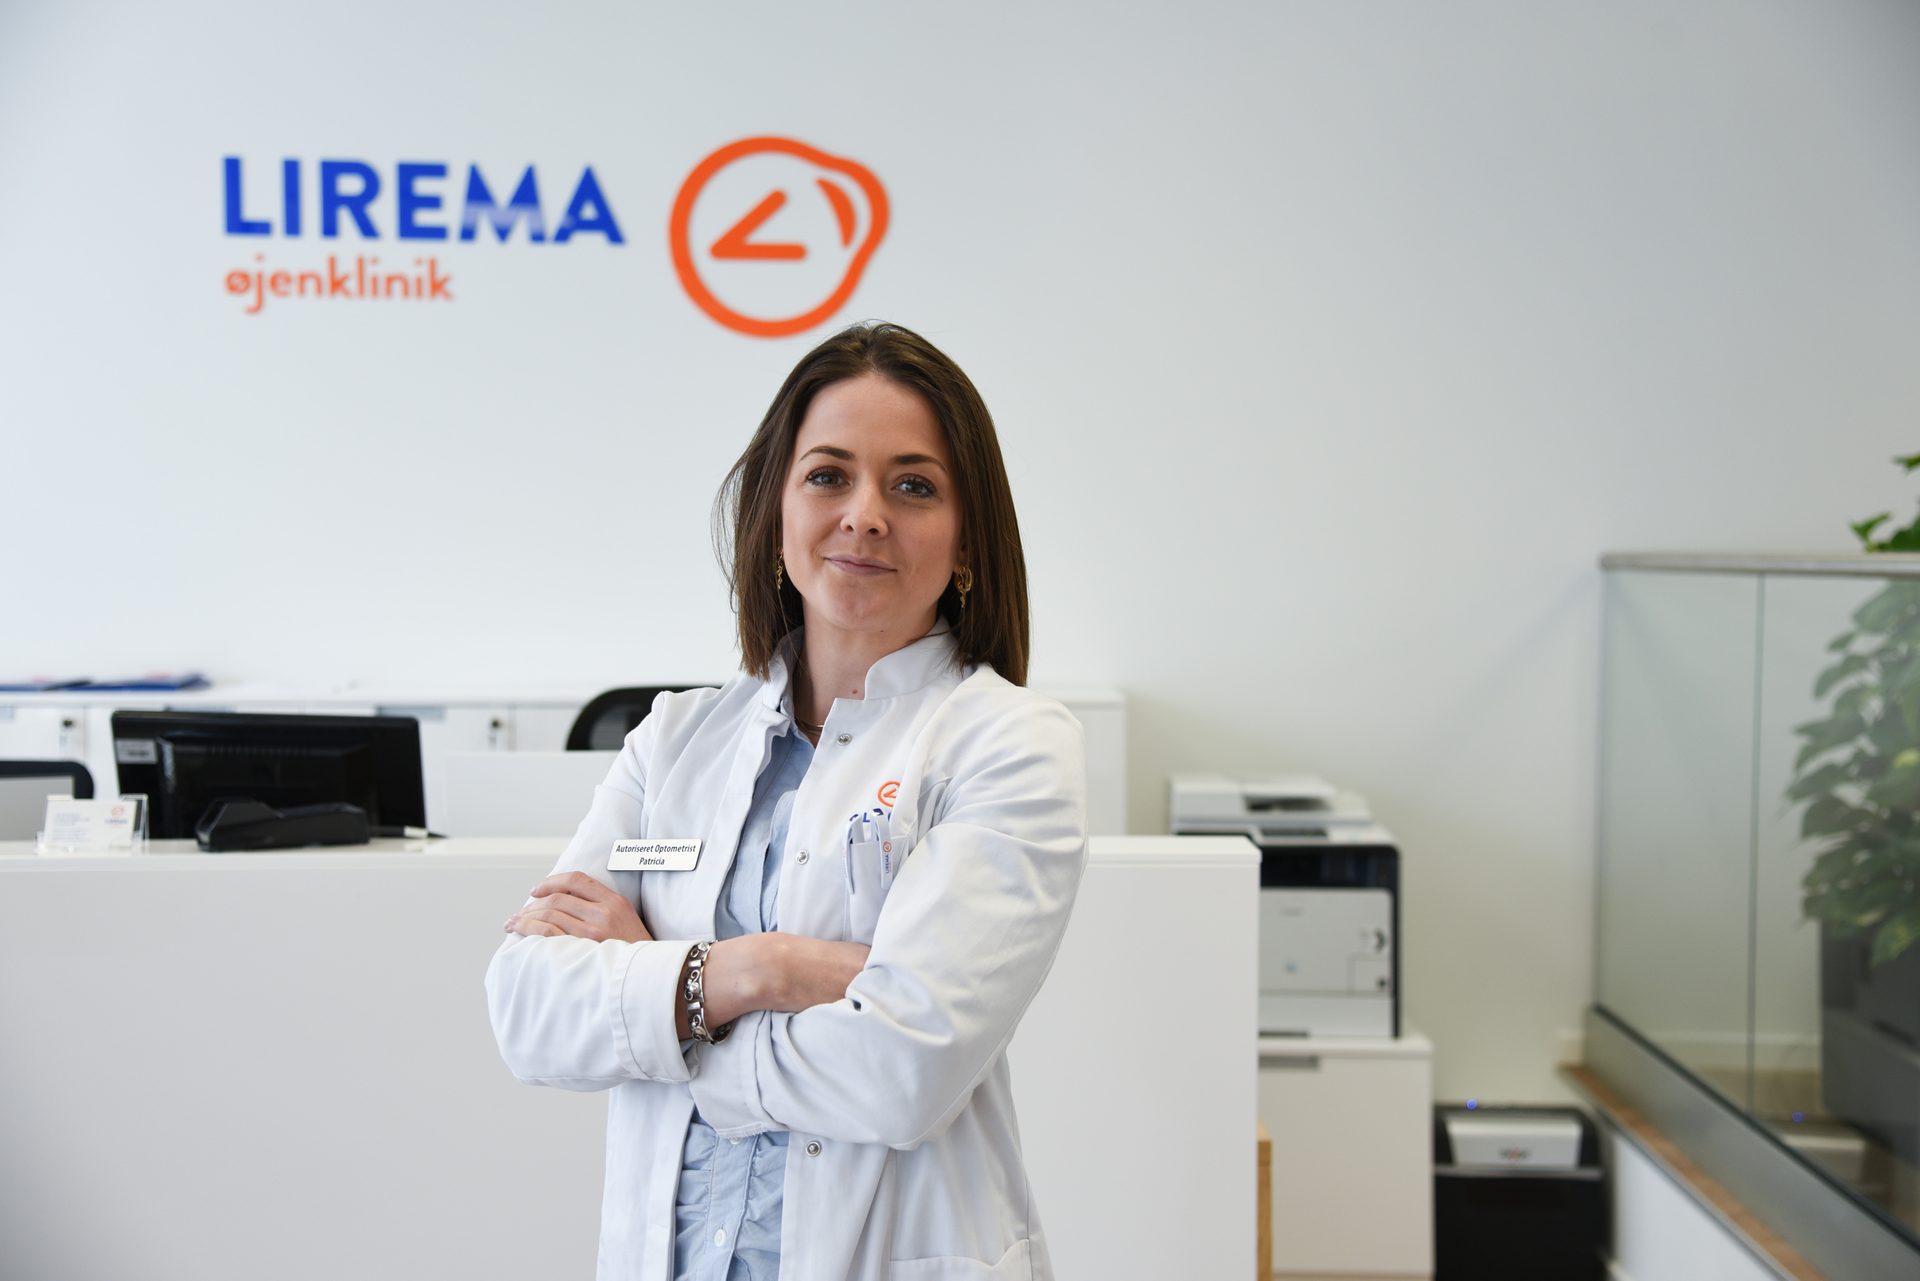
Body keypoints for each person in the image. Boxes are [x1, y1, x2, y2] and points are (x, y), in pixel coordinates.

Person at [485, 321, 1089, 1281]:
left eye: (913, 484)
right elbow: (526, 1007)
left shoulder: (1007, 744)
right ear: (774, 511)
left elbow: (902, 1070)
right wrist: (759, 970)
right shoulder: (672, 741)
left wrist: (660, 999)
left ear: (968, 536)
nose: (865, 514)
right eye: (828, 475)